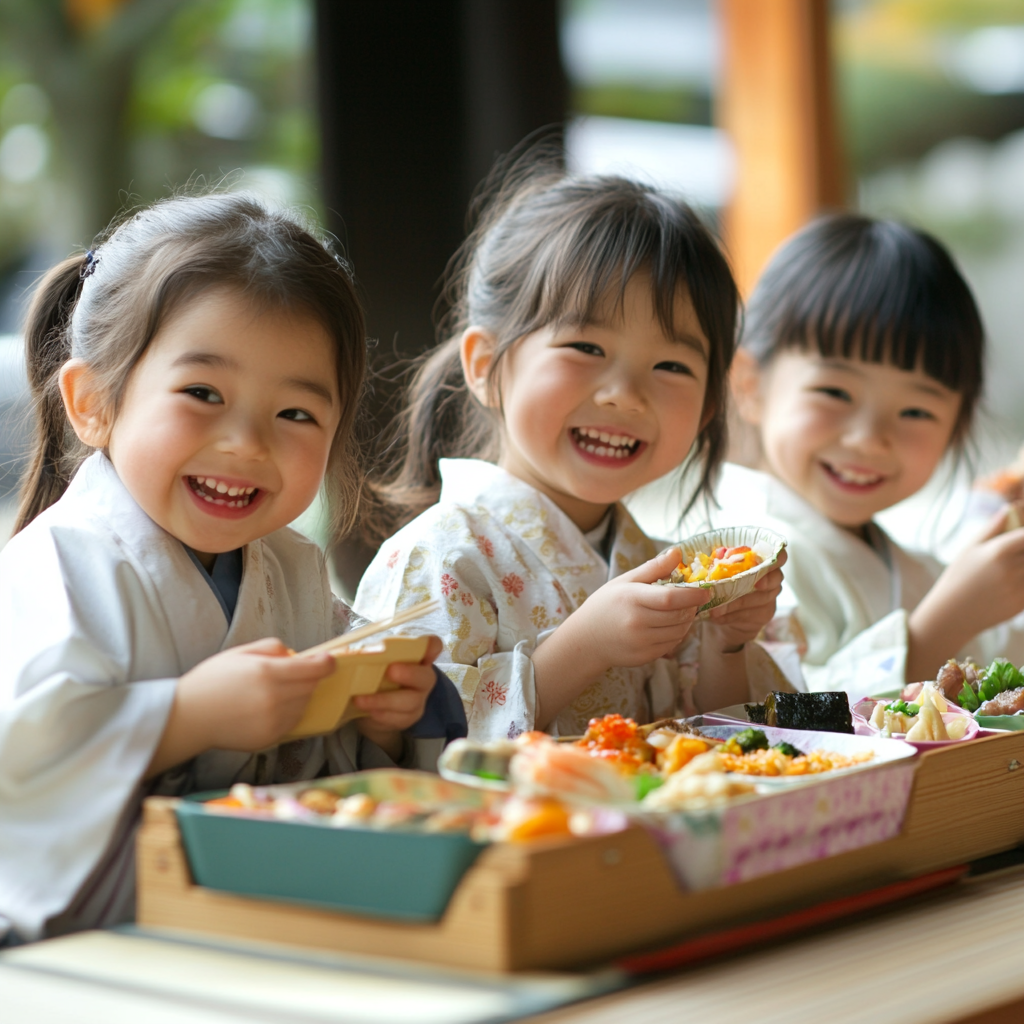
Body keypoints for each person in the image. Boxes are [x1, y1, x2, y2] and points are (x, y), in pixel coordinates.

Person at [0, 192, 461, 945]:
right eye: (203, 394)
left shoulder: (294, 571)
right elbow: (18, 753)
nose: (246, 443)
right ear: (92, 403)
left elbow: (340, 770)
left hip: (253, 926)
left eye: (296, 414)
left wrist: (386, 718)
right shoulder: (56, 566)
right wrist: (187, 717)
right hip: (87, 949)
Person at [354, 158, 788, 742]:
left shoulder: (667, 569)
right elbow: (405, 749)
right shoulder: (440, 558)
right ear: (486, 365)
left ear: (709, 406)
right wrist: (584, 647)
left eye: (671, 365)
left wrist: (725, 645)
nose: (625, 396)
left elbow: (734, 746)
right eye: (585, 346)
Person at [702, 213, 1024, 697]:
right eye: (834, 392)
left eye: (915, 410)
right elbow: (774, 711)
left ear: (957, 422)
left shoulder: (914, 567)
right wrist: (941, 625)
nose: (870, 439)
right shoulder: (732, 555)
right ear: (751, 384)